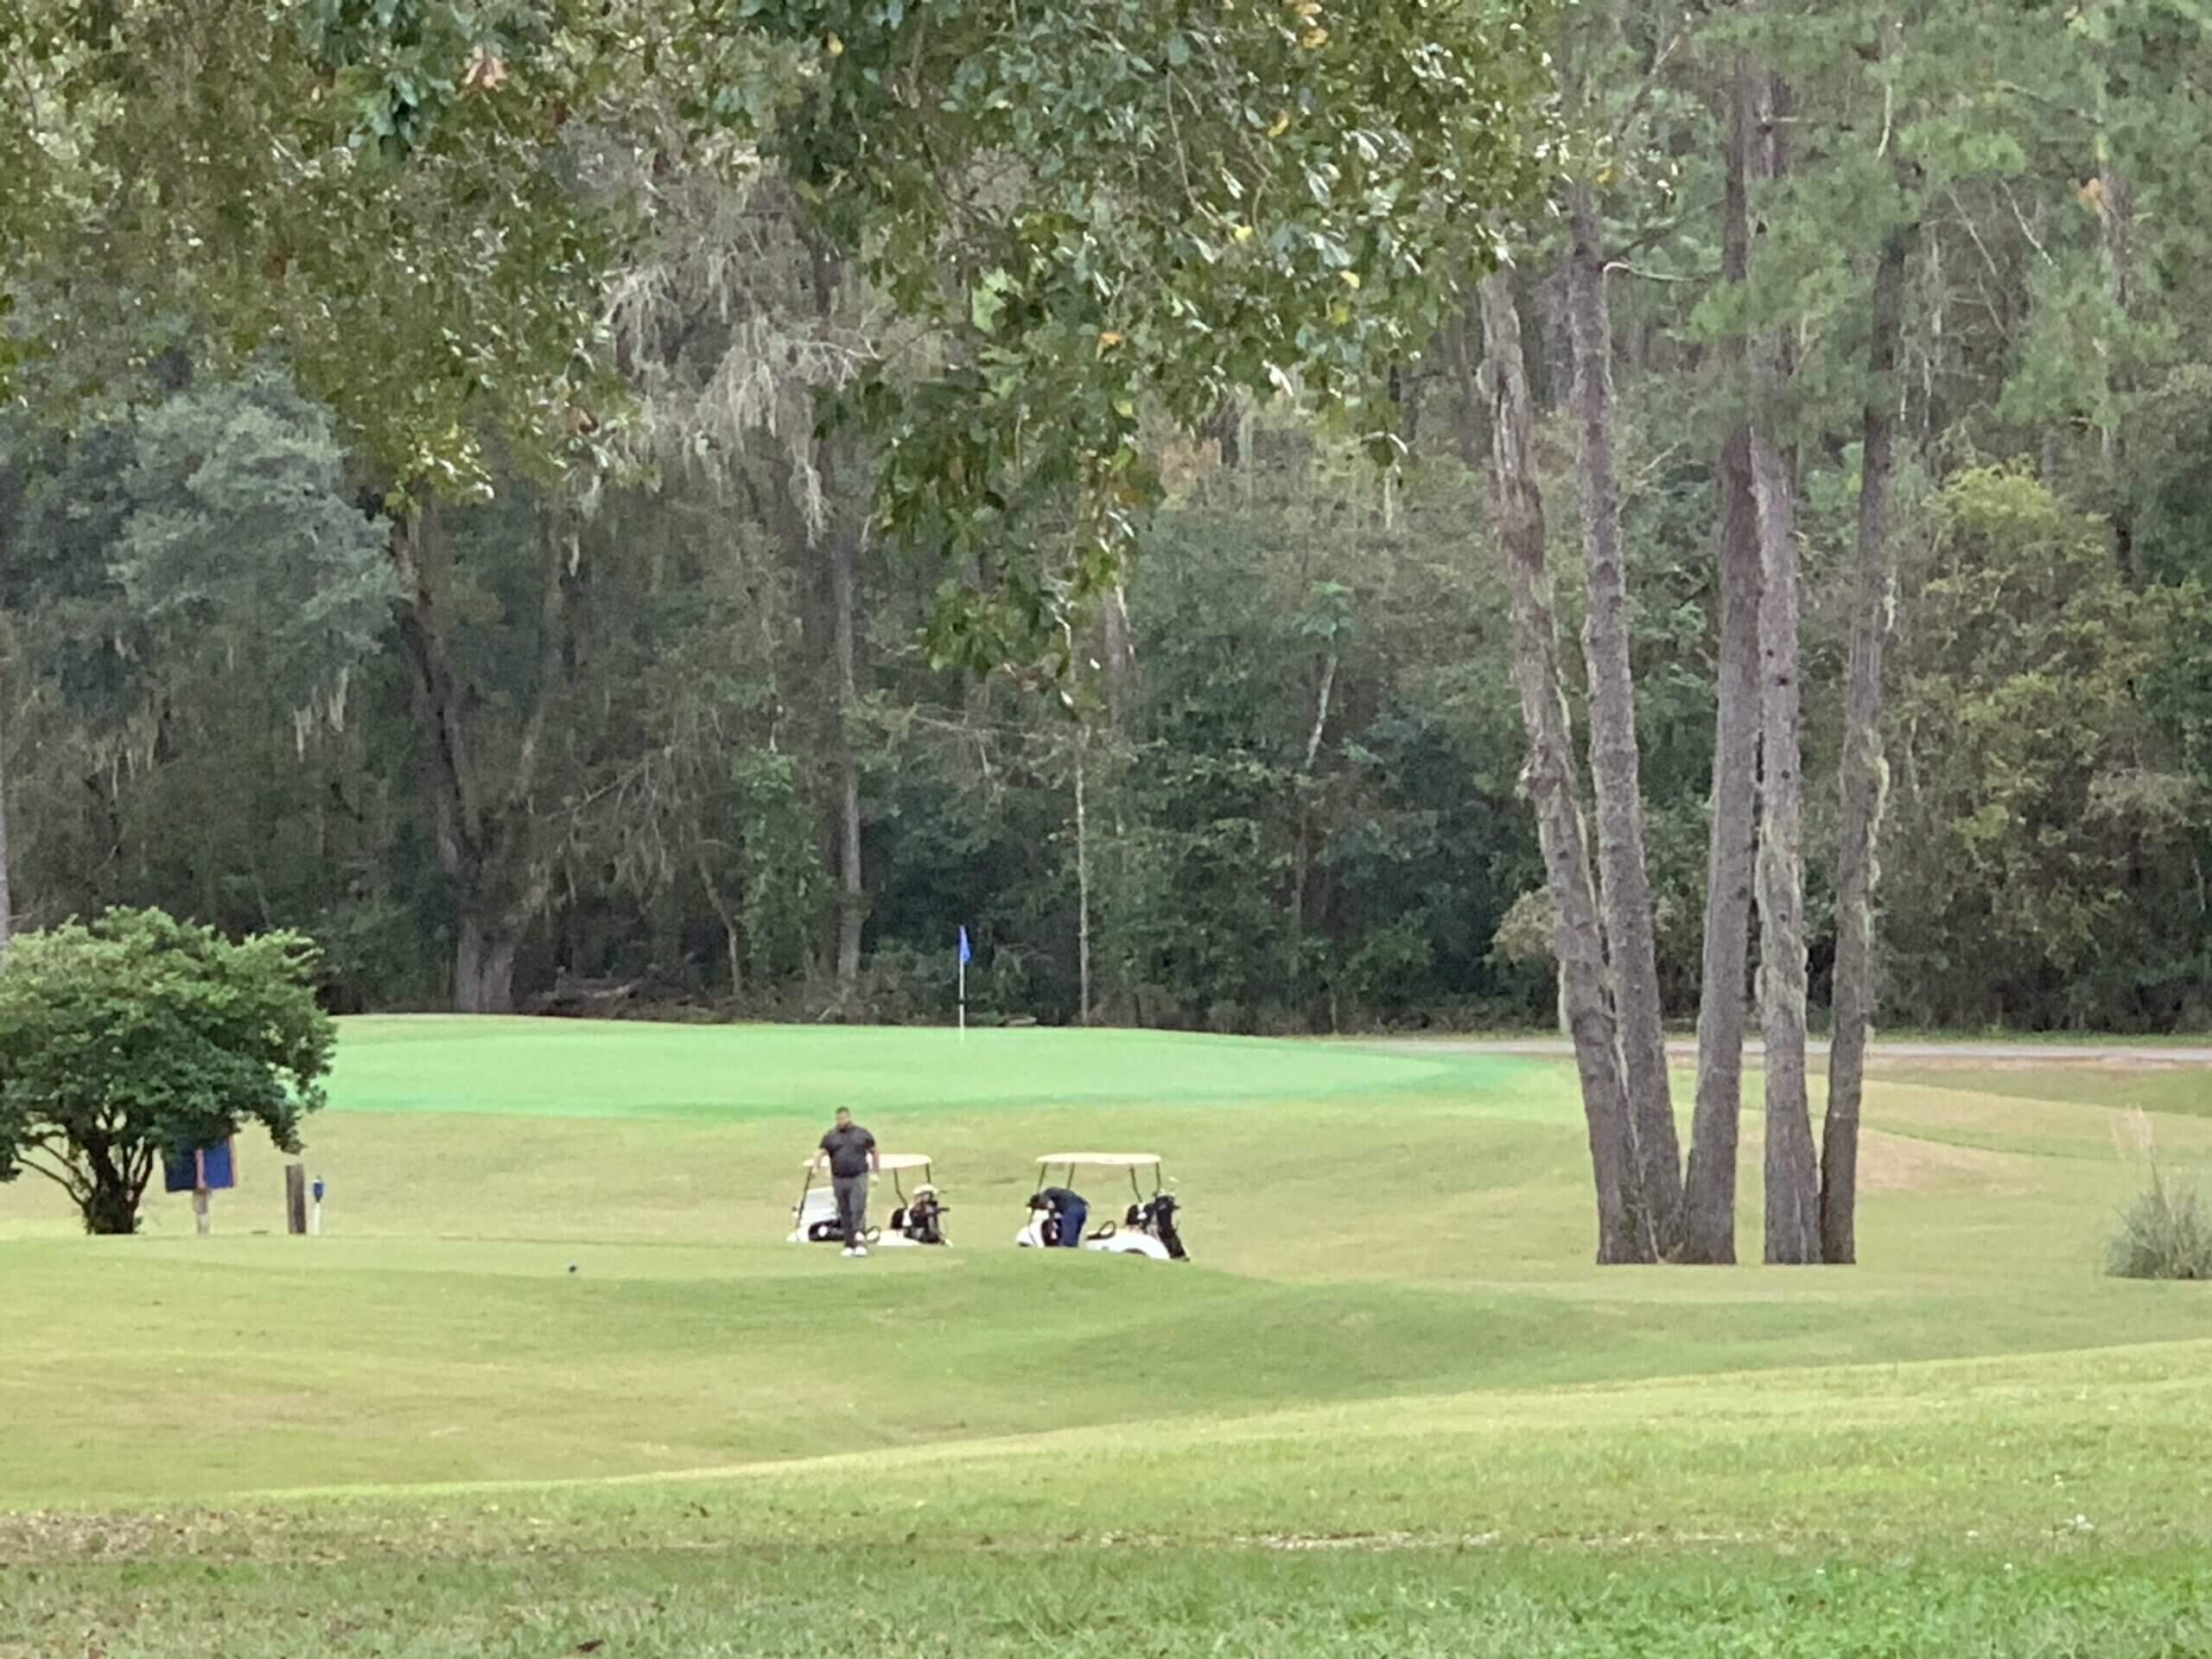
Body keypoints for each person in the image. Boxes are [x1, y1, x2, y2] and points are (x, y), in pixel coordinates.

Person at [812, 1107, 880, 1258]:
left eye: (843, 1118)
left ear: (849, 1117)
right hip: (839, 1178)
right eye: (838, 1119)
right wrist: (816, 1167)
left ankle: (860, 1243)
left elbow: (874, 1151)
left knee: (858, 1208)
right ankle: (849, 1244)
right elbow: (821, 1151)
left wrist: (876, 1172)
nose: (840, 1121)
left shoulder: (861, 1134)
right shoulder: (831, 1136)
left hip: (858, 1177)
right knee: (844, 1211)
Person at [1033, 1185, 1088, 1249]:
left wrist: (1050, 1223)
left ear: (1038, 1202)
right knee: (1073, 1239)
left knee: (1067, 1242)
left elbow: (1051, 1206)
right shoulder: (1058, 1193)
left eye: (1038, 1207)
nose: (1041, 1209)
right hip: (1082, 1210)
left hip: (1071, 1211)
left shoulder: (1044, 1196)